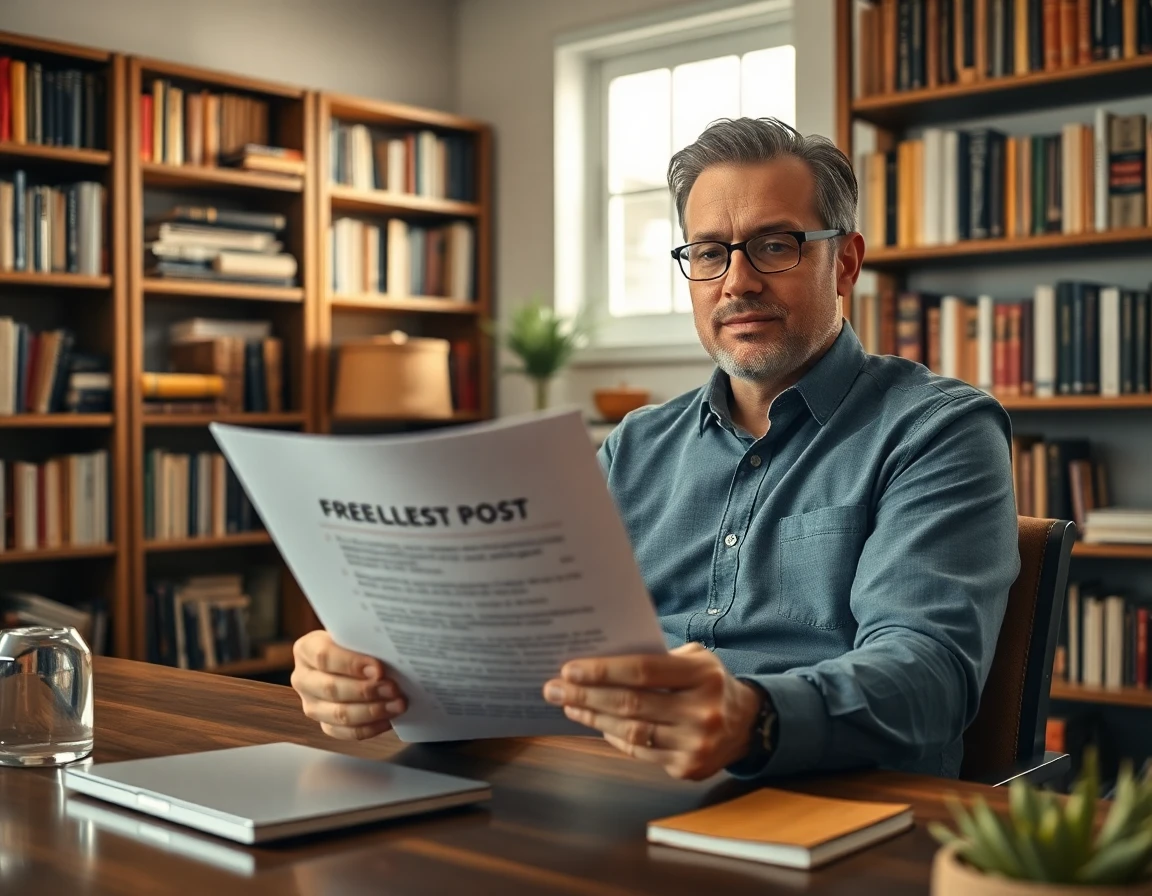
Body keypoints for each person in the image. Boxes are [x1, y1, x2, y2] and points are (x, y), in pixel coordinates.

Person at [289, 117, 1020, 781]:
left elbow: (929, 676)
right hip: (603, 786)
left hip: (831, 804)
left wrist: (751, 717)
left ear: (847, 262)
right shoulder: (635, 443)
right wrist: (383, 674)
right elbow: (529, 644)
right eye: (709, 252)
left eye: (775, 245)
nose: (738, 282)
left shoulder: (938, 430)